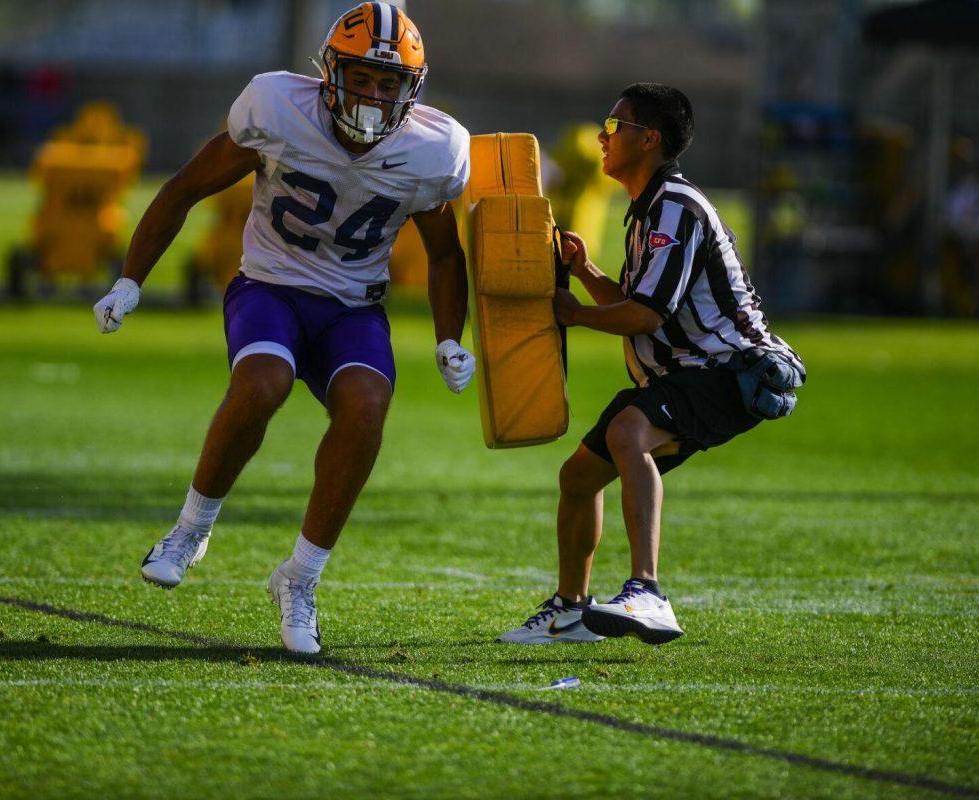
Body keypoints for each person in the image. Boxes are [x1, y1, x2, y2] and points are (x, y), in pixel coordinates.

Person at [92, 2, 473, 655]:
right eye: (362, 77)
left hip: (352, 307)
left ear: (412, 87)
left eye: (389, 83)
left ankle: (299, 578)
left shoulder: (435, 150)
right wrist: (131, 279)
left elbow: (444, 252)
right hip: (270, 286)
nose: (375, 95)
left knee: (367, 407)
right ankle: (190, 530)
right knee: (263, 382)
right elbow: (185, 187)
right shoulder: (276, 108)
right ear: (330, 73)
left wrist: (448, 336)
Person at [499, 84, 804, 646]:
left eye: (615, 127)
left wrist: (575, 314)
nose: (602, 137)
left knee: (628, 430)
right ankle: (572, 610)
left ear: (649, 139)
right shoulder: (648, 208)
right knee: (578, 478)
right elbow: (639, 300)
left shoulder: (674, 207)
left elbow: (644, 315)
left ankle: (648, 592)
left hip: (729, 369)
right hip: (685, 371)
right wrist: (588, 273)